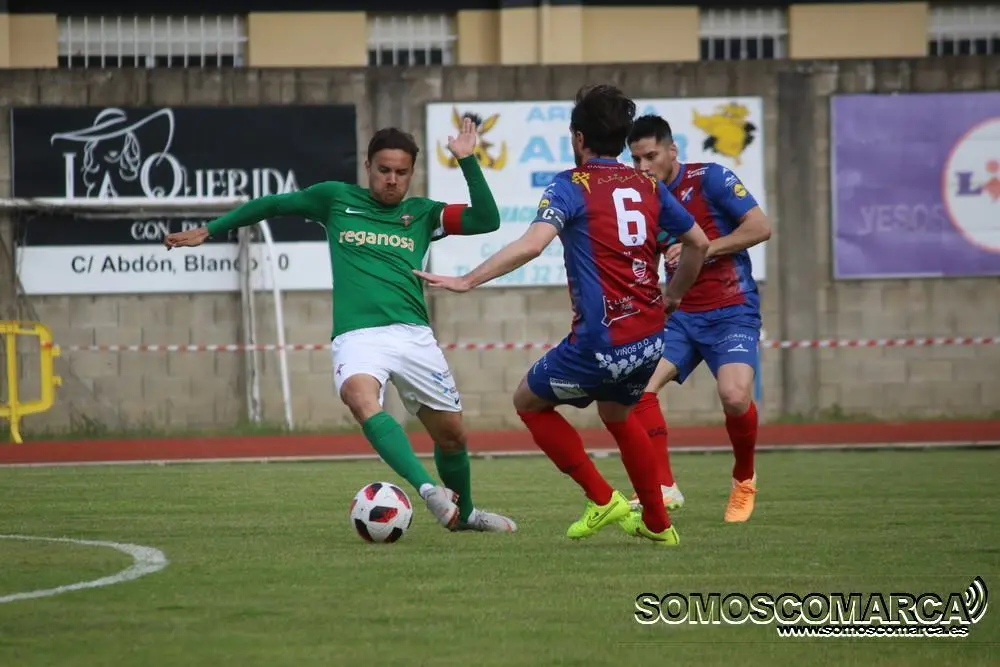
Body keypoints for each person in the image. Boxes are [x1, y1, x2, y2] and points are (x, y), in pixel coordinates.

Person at [164, 119, 517, 534]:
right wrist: (211, 229)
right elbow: (273, 205)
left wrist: (467, 160)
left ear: (411, 174)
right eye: (383, 170)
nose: (391, 180)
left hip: (413, 336)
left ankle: (467, 514)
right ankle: (429, 491)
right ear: (367, 166)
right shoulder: (335, 199)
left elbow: (486, 219)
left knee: (452, 436)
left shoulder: (422, 213)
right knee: (359, 396)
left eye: (401, 172)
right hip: (358, 335)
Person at [414, 85, 709, 546]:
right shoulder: (648, 184)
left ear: (578, 138)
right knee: (618, 413)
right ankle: (657, 522)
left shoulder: (573, 184)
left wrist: (467, 280)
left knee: (527, 401)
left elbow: (533, 244)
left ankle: (602, 498)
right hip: (650, 336)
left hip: (601, 341)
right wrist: (673, 296)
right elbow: (700, 243)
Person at [625, 114, 772, 523]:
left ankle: (744, 479)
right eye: (635, 159)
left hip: (731, 310)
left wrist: (703, 247)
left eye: (651, 156)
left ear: (672, 150)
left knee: (735, 397)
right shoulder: (641, 197)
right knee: (636, 389)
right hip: (680, 316)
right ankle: (663, 486)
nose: (643, 166)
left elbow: (760, 228)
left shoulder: (710, 178)